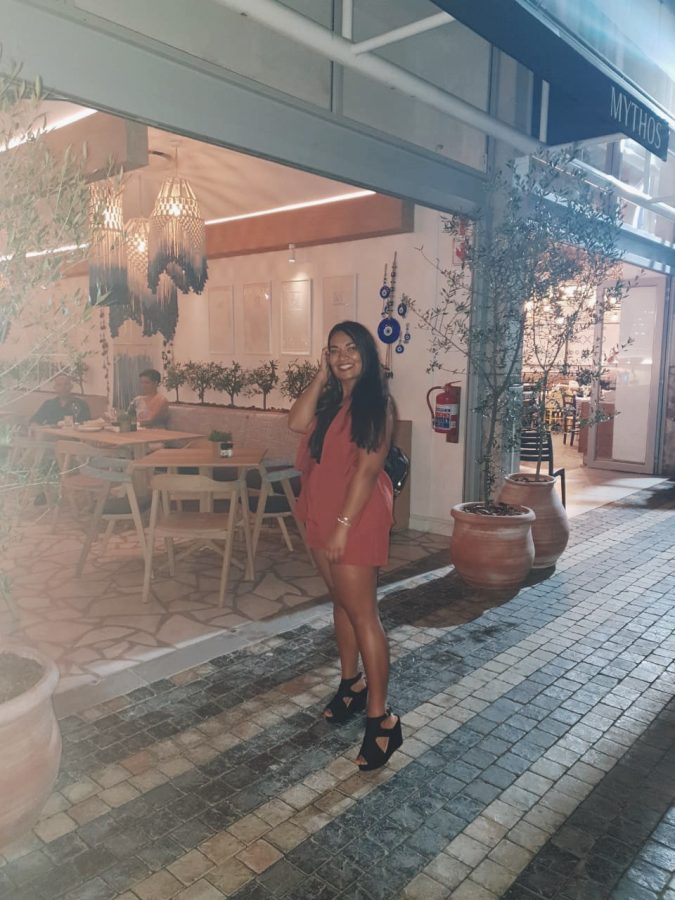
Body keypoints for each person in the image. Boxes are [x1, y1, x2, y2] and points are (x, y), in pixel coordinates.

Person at [289, 321, 402, 771]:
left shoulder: (378, 404)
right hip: (322, 513)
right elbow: (296, 422)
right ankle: (351, 685)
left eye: (351, 348)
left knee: (363, 614)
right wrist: (321, 377)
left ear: (367, 353)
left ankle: (381, 720)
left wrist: (341, 527)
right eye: (334, 350)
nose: (342, 357)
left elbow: (368, 471)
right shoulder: (332, 401)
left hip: (353, 518)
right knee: (341, 603)